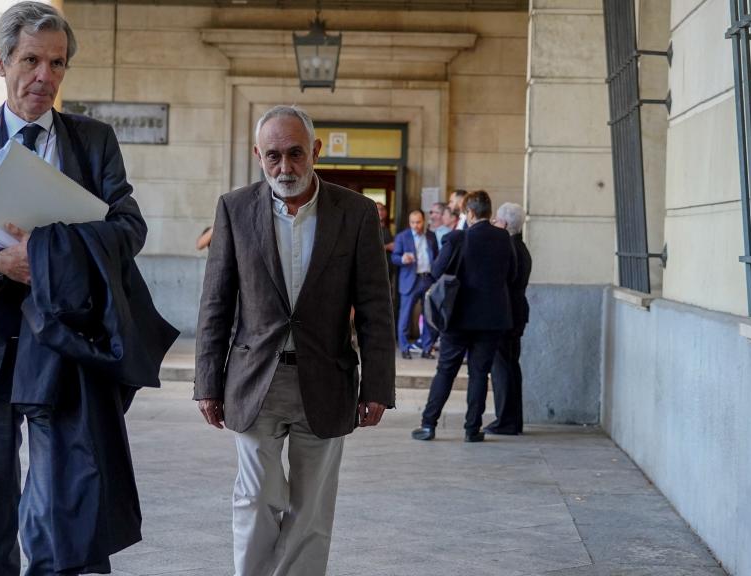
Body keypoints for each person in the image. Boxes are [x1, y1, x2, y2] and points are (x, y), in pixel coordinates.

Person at [0, 3, 178, 573]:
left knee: (62, 493)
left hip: (64, 344)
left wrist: (55, 256)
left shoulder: (93, 141)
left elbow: (128, 226)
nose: (45, 76)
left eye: (57, 63)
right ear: (1, 61)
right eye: (31, 60)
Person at [195, 105, 395, 576]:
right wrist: (207, 380)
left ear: (316, 152)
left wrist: (377, 387)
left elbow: (375, 309)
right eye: (273, 157)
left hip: (327, 380)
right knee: (256, 499)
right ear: (257, 156)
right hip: (253, 381)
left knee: (312, 511)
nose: (284, 167)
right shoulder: (234, 208)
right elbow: (215, 302)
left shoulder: (357, 214)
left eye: (295, 154)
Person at [411, 190, 516, 442]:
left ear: (469, 213)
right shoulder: (504, 238)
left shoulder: (457, 238)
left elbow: (436, 272)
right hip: (492, 319)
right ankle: (472, 429)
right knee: (479, 374)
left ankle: (428, 424)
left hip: (457, 318)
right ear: (489, 212)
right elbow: (511, 276)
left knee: (446, 371)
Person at [486, 202, 532, 435]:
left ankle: (506, 420)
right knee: (510, 366)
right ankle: (512, 420)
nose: (494, 223)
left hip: (506, 315)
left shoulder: (509, 248)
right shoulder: (520, 246)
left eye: (496, 220)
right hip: (516, 314)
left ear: (504, 223)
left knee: (502, 367)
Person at [392, 210, 439, 359]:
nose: (415, 225)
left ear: (423, 221)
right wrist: (402, 259)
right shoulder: (402, 237)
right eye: (412, 222)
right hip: (410, 280)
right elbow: (394, 257)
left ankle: (426, 348)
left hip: (428, 279)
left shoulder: (431, 236)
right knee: (405, 316)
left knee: (428, 317)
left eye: (418, 222)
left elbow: (436, 257)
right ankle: (404, 348)